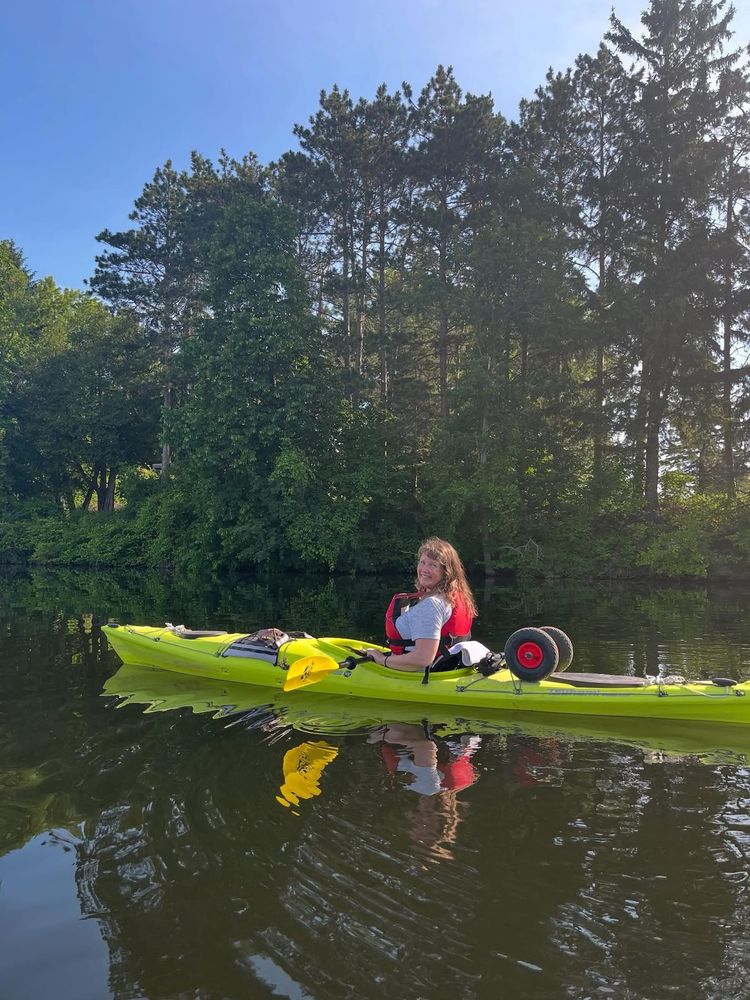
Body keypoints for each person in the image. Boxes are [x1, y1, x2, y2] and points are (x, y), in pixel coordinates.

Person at [365, 537, 477, 672]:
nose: (424, 569)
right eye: (422, 562)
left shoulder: (431, 605)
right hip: (448, 668)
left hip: (418, 674)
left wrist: (382, 660)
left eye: (433, 565)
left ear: (446, 572)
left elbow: (422, 659)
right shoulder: (453, 597)